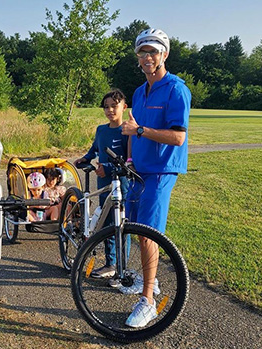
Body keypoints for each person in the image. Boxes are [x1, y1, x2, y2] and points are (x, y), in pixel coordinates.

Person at [119, 28, 191, 328]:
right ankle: (152, 281)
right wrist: (130, 160)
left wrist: (140, 131)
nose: (147, 57)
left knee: (148, 233)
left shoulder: (176, 89)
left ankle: (148, 301)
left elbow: (177, 136)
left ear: (164, 54)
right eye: (142, 52)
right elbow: (135, 127)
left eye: (153, 51)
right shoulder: (139, 91)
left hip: (161, 172)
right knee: (137, 230)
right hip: (139, 170)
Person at [74, 88, 129, 279]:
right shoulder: (101, 130)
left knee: (121, 225)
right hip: (104, 183)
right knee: (106, 224)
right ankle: (110, 264)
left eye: (114, 106)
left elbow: (127, 159)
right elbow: (94, 150)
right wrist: (84, 158)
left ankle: (123, 267)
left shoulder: (127, 131)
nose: (110, 110)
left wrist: (107, 166)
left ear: (124, 107)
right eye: (106, 107)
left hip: (122, 185)